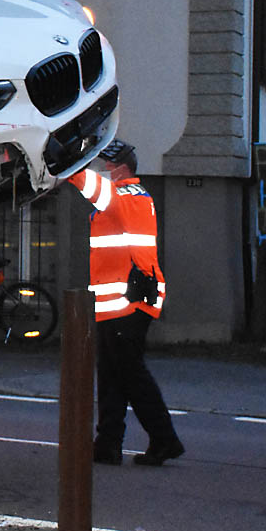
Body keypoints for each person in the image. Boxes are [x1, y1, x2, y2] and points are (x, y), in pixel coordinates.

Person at [69, 140, 183, 466]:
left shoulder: (123, 196)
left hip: (126, 301)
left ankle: (164, 439)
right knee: (113, 373)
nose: (103, 169)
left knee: (129, 373)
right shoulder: (137, 198)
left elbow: (89, 185)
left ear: (121, 168)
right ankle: (108, 443)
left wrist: (65, 164)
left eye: (107, 164)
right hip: (124, 301)